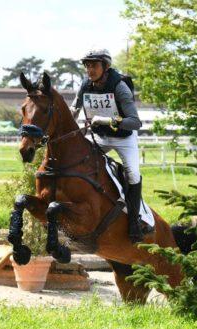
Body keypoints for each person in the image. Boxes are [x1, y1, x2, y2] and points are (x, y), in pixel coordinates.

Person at [71, 49, 144, 243]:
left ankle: (134, 221)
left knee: (133, 174)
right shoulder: (85, 85)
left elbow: (136, 122)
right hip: (100, 138)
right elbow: (74, 110)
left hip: (123, 138)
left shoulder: (119, 86)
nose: (89, 70)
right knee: (79, 163)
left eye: (94, 65)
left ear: (106, 66)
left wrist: (106, 120)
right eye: (87, 66)